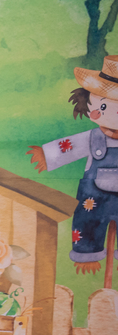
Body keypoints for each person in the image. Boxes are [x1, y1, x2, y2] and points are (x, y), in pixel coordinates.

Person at [28, 54, 118, 275]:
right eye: (103, 106)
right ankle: (87, 254)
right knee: (87, 220)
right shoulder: (92, 138)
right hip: (94, 199)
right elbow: (70, 145)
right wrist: (47, 155)